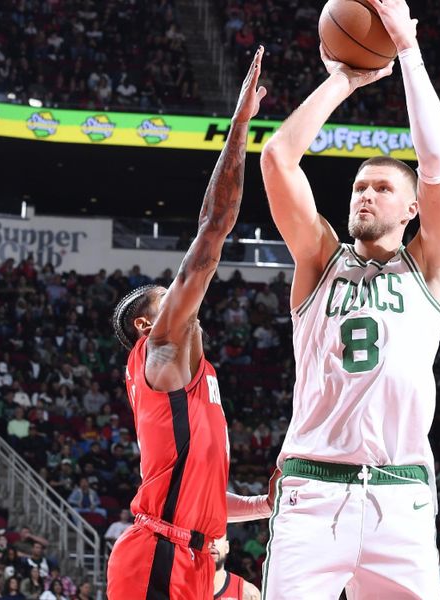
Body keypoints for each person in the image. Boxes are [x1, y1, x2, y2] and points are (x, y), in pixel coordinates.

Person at [259, 0, 440, 595]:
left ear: (412, 207)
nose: (365, 196)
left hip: (400, 496)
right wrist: (341, 81)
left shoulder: (429, 264)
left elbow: (436, 161)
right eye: (358, 188)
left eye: (380, 188)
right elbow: (277, 159)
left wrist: (409, 52)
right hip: (312, 492)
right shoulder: (319, 258)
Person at [106, 48, 274, 600]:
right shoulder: (163, 347)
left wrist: (264, 506)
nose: (181, 292)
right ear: (145, 324)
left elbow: (201, 502)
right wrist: (241, 124)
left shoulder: (189, 372)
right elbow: (215, 224)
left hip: (193, 557)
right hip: (157, 555)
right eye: (168, 292)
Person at [212, 534, 260, 600]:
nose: (213, 543)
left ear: (227, 547)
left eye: (218, 537)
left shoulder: (248, 593)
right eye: (206, 537)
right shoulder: (193, 588)